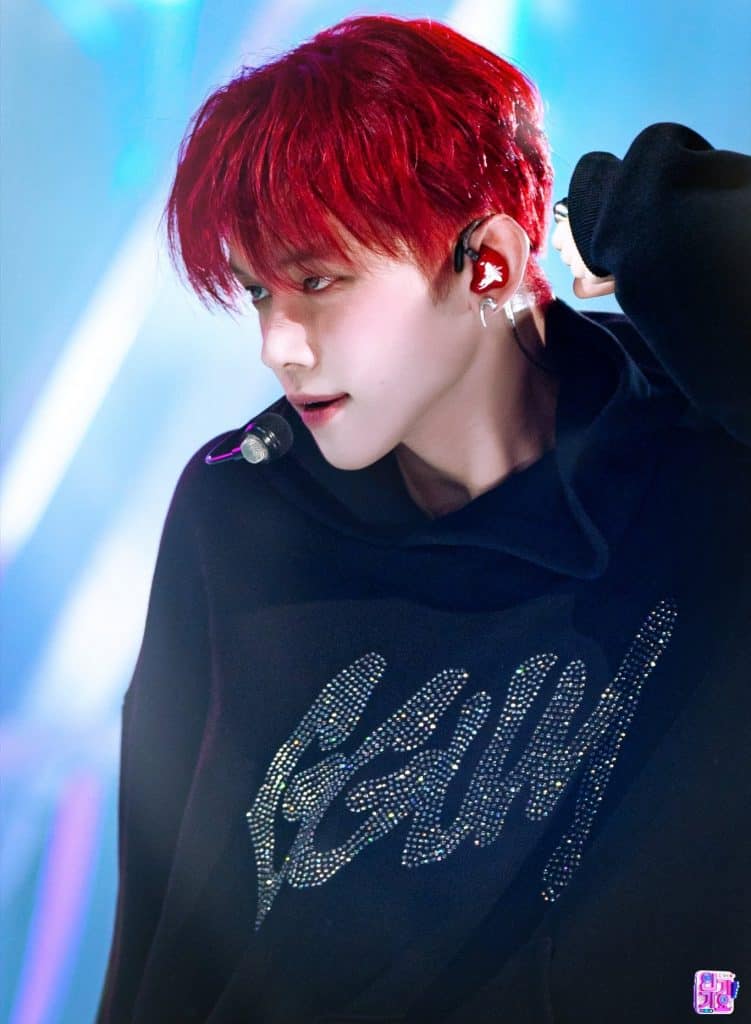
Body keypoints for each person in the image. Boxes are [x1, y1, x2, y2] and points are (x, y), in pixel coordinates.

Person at [96, 14, 750, 1024]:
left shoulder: (702, 438)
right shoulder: (244, 507)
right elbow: (164, 921)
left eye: (318, 281)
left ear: (487, 262)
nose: (278, 344)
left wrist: (668, 213)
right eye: (258, 291)